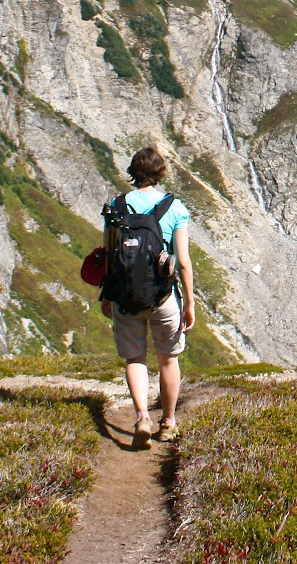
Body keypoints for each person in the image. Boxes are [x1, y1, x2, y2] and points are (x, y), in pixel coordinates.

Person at [104, 145, 195, 447]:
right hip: (163, 296)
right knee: (168, 359)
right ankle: (167, 423)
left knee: (135, 357)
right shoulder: (175, 208)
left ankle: (142, 416)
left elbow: (109, 254)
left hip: (125, 295)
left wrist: (107, 295)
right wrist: (189, 303)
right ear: (160, 173)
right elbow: (183, 261)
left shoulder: (117, 206)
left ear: (133, 172)